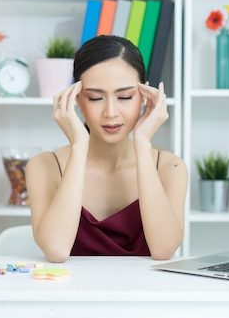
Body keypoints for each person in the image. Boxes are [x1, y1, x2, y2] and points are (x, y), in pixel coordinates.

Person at [26, 35, 188, 263]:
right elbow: (56, 250)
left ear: (145, 97)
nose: (111, 112)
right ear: (77, 99)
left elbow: (163, 250)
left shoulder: (170, 167)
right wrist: (79, 145)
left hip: (146, 296)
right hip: (69, 296)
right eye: (95, 98)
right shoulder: (44, 166)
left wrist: (143, 143)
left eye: (124, 96)